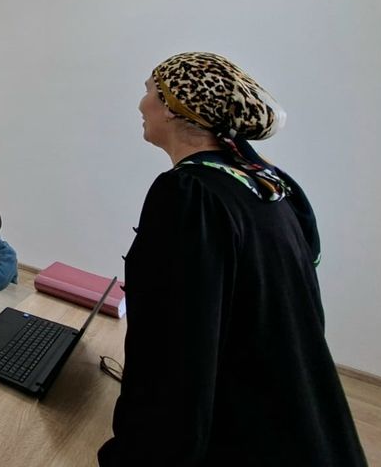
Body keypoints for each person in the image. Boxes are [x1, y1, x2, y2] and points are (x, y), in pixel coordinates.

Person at [99, 52, 366, 466]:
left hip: (246, 441)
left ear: (173, 107)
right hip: (302, 428)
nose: (140, 104)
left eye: (149, 91)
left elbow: (176, 353)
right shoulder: (267, 184)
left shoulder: (191, 195)